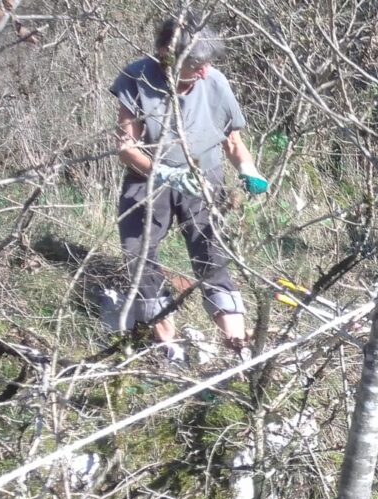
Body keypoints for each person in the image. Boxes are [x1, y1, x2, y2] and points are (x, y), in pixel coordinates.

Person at [110, 10, 268, 364]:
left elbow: (232, 141)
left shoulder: (215, 82)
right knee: (139, 254)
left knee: (211, 254)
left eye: (208, 62)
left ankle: (239, 348)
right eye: (196, 62)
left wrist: (248, 170)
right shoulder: (136, 77)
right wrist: (165, 173)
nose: (204, 70)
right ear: (168, 55)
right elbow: (127, 148)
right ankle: (169, 345)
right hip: (147, 181)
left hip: (204, 178)